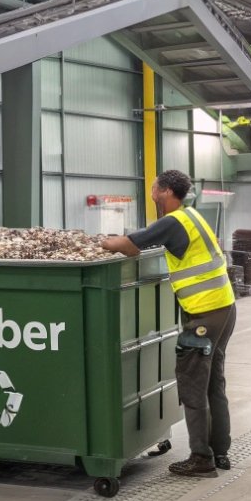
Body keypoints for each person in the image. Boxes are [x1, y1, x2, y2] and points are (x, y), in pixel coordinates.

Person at [101, 170, 237, 477]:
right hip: (224, 309)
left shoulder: (172, 221)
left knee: (192, 387)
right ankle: (220, 452)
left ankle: (201, 459)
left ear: (164, 191)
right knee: (214, 383)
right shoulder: (194, 216)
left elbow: (129, 245)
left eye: (153, 188)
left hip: (204, 316)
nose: (151, 193)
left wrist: (101, 244)